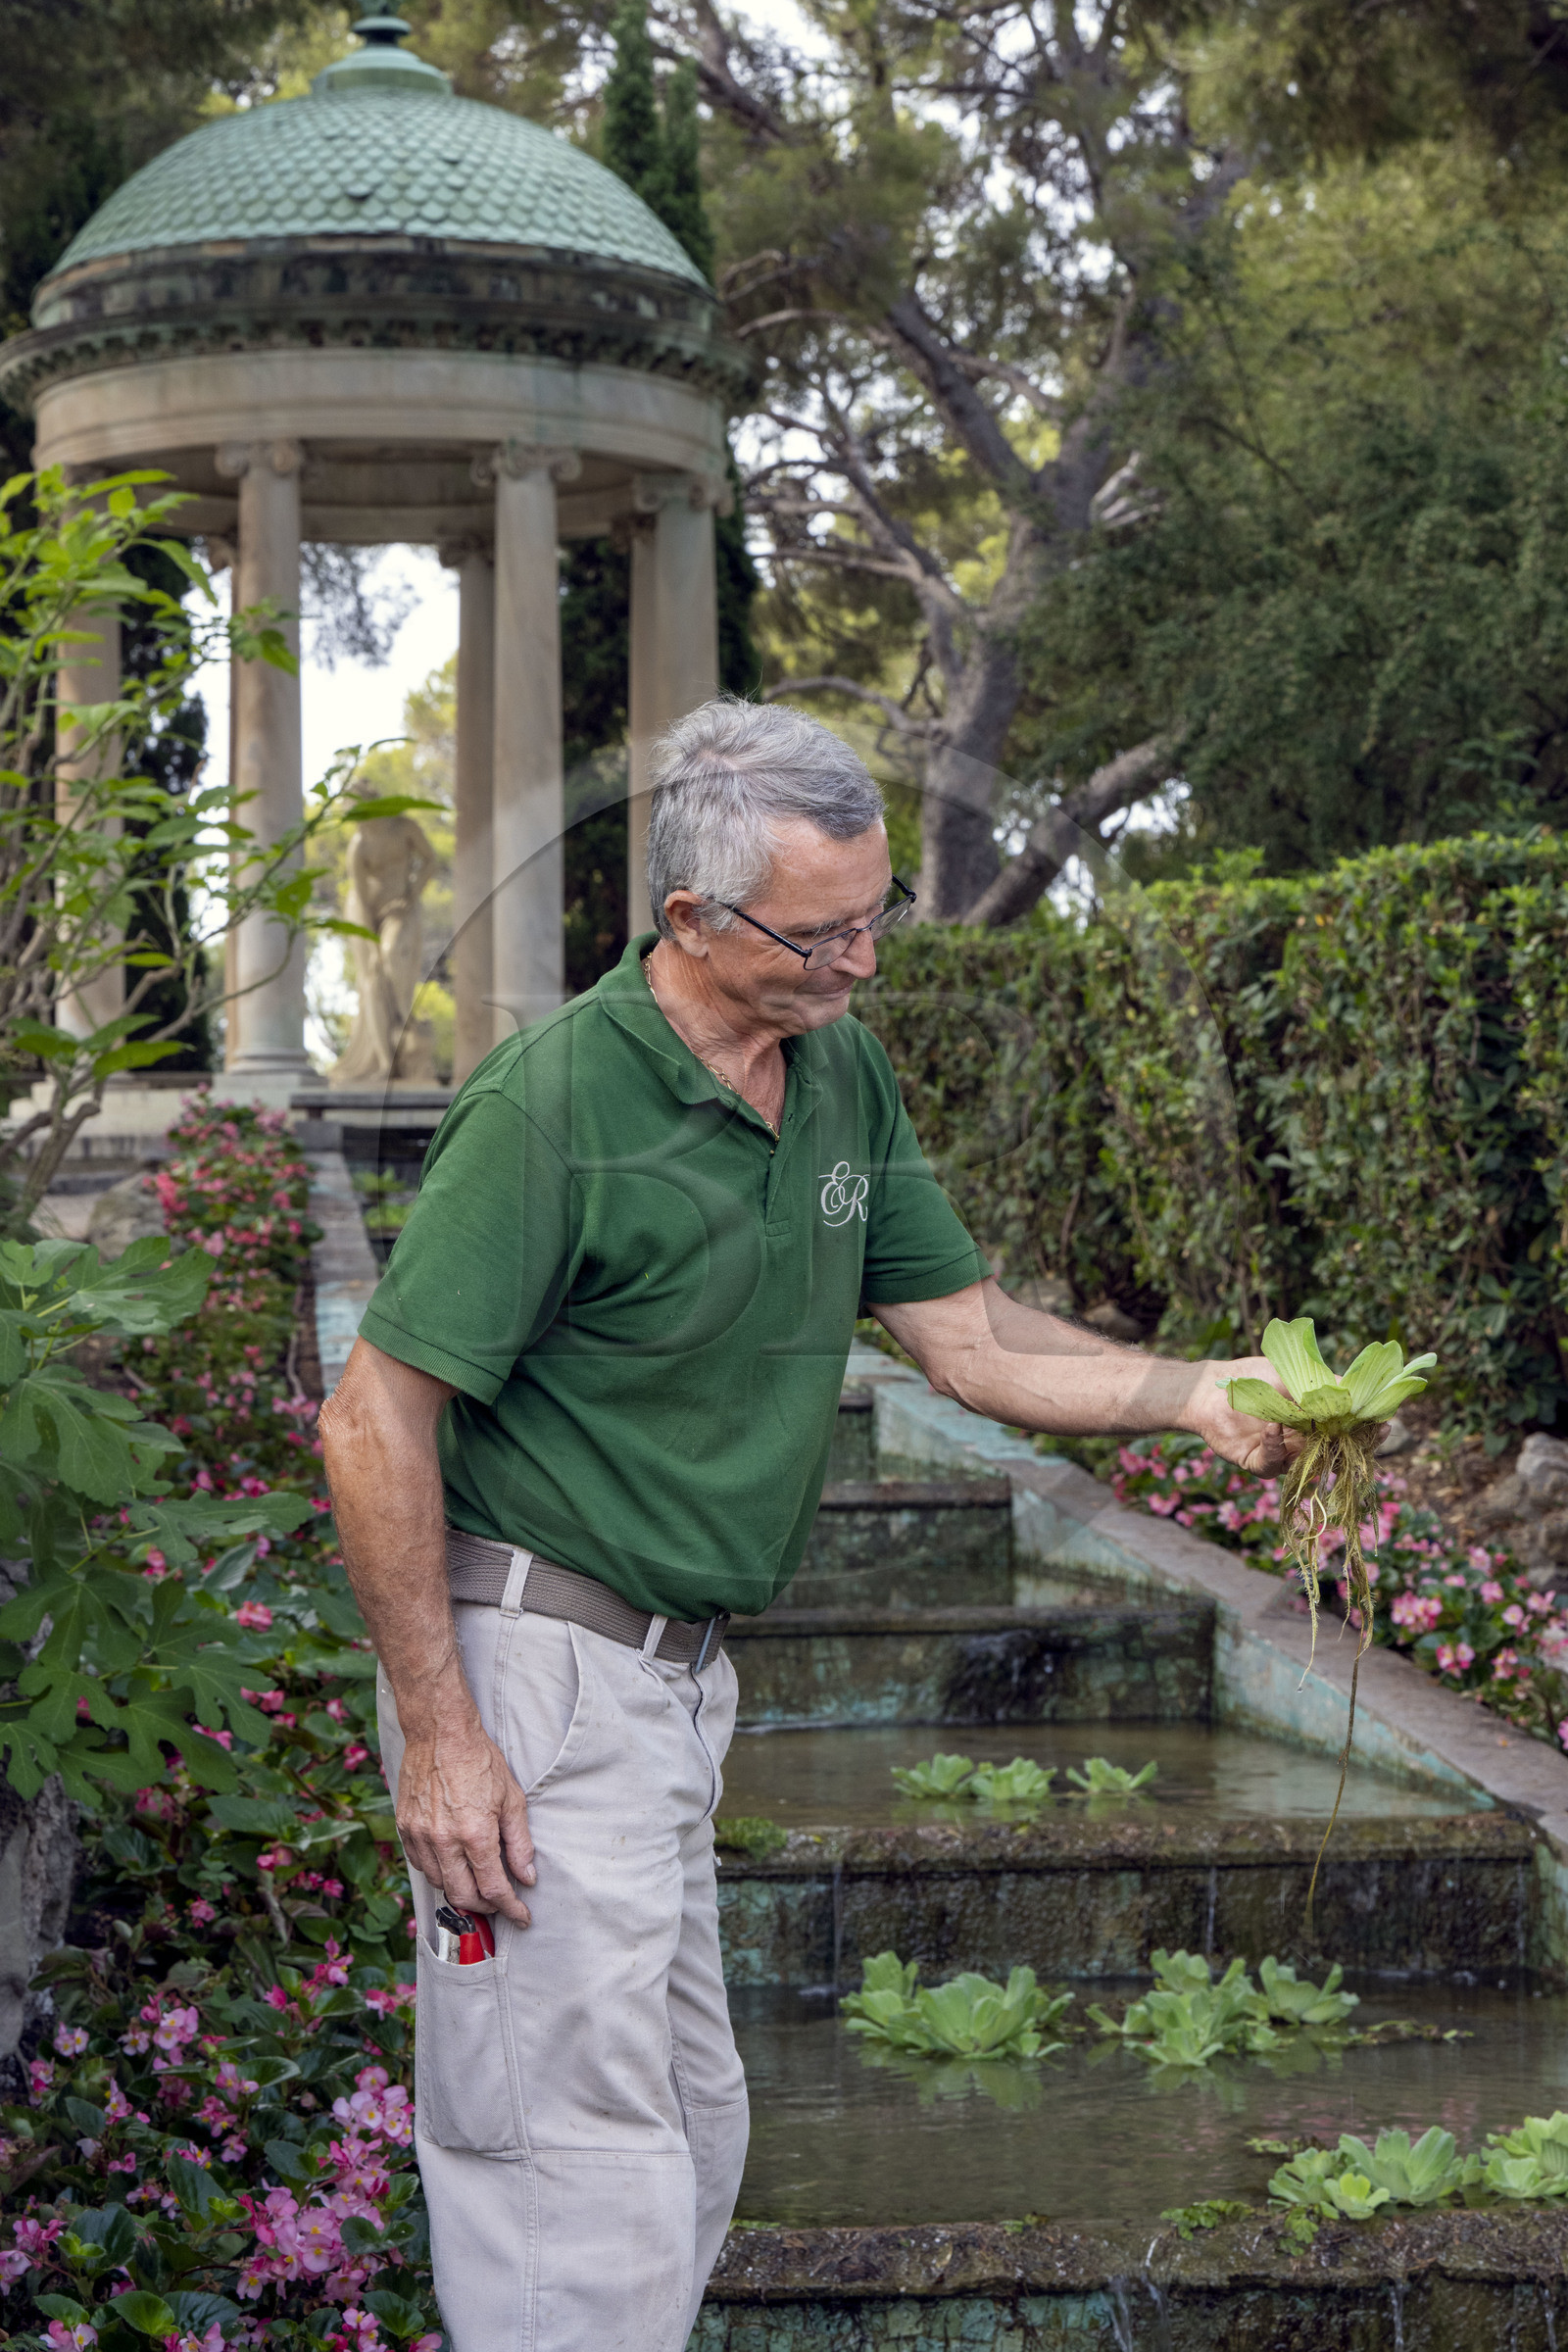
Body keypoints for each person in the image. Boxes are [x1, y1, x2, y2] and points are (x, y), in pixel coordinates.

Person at [318, 699, 1294, 2352]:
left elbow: (971, 1339)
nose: (863, 963)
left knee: (691, 2136)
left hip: (678, 1690)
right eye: (823, 933)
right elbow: (372, 1418)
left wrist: (1198, 1392)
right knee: (574, 2173)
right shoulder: (556, 1105)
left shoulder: (836, 1071)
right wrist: (441, 1736)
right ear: (690, 918)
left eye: (875, 917)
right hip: (542, 1674)